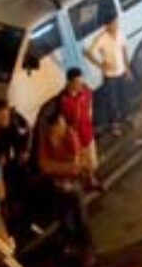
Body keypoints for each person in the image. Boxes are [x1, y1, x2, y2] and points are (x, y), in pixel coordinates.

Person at [37, 113, 93, 253]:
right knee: (64, 219)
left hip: (72, 185)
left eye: (63, 123)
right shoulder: (46, 140)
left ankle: (87, 249)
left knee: (81, 218)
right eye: (60, 125)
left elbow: (75, 167)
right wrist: (61, 168)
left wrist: (55, 167)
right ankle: (70, 244)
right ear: (53, 127)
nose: (64, 127)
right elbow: (44, 165)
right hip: (57, 186)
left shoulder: (71, 136)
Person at [86, 20, 132, 134]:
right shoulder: (101, 38)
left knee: (124, 96)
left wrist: (127, 68)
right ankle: (114, 124)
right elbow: (88, 53)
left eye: (116, 23)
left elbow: (124, 50)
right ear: (106, 26)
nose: (115, 26)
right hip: (110, 76)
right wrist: (100, 64)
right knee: (112, 101)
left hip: (121, 72)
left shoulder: (120, 33)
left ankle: (126, 116)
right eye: (112, 24)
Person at [58, 68, 98, 181]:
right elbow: (62, 120)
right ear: (70, 83)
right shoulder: (63, 100)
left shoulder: (86, 91)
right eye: (77, 82)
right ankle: (87, 179)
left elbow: (90, 104)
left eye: (81, 80)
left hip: (88, 132)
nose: (81, 84)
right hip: (76, 136)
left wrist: (89, 117)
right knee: (80, 162)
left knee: (92, 162)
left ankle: (91, 177)